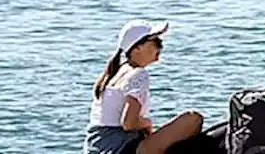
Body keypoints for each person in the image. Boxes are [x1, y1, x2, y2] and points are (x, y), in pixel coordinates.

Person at [84, 21, 204, 154]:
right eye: (156, 42)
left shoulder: (114, 72)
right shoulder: (138, 74)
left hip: (98, 147)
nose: (161, 47)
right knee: (193, 118)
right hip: (122, 148)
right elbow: (129, 123)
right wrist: (147, 123)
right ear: (137, 47)